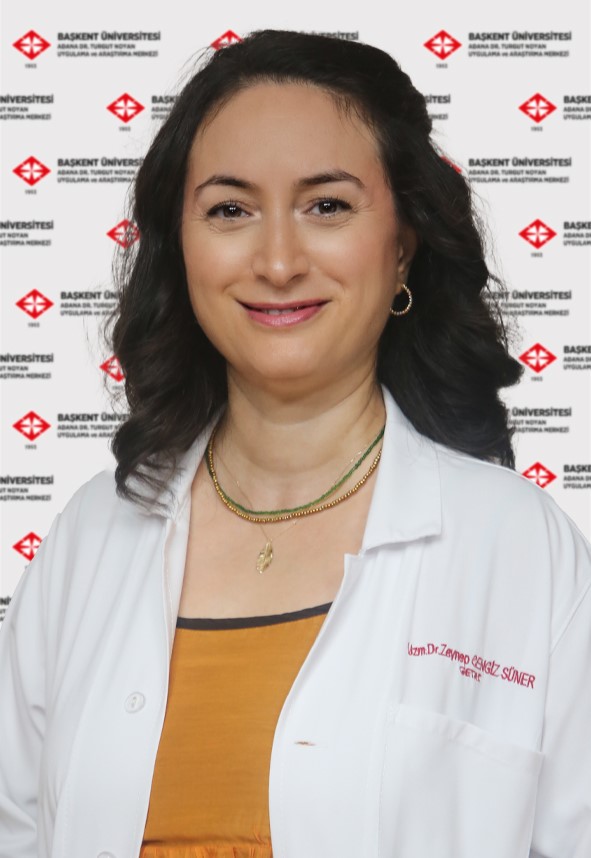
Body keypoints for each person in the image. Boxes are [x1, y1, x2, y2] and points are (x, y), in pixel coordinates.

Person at [1, 29, 590, 858]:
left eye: (327, 206)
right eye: (229, 210)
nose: (277, 262)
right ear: (181, 247)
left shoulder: (522, 549)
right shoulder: (88, 538)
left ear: (403, 244)